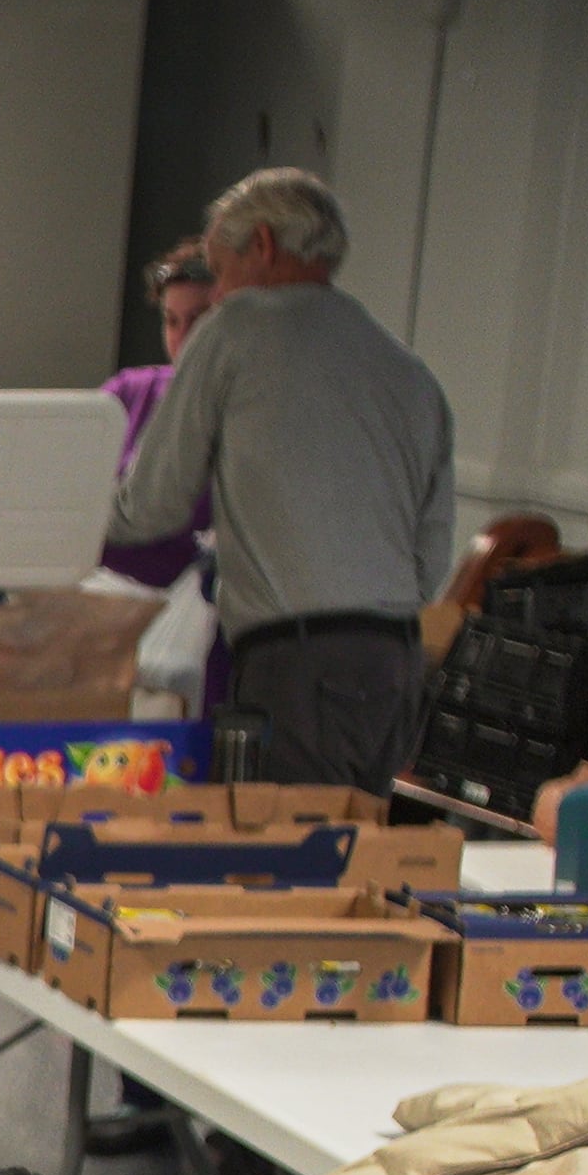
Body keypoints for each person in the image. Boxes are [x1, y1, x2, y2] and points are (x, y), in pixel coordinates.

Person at [112, 165, 458, 796]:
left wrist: (47, 520)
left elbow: (152, 506)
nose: (218, 294)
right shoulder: (409, 373)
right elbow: (430, 561)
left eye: (221, 272)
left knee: (283, 849)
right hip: (396, 663)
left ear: (264, 245)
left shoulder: (235, 331)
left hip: (297, 665)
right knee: (355, 849)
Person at [101, 236, 217, 588]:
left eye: (198, 319)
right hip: (102, 586)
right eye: (171, 321)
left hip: (192, 596)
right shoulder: (129, 392)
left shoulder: (247, 412)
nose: (182, 337)